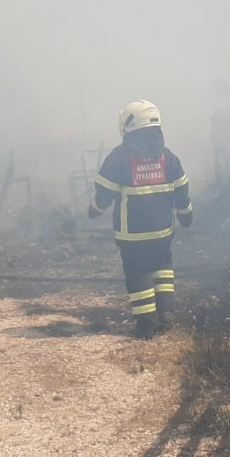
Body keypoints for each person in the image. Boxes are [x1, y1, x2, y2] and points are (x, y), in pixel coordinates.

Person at [89, 100, 193, 339]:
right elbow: (182, 192)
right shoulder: (169, 158)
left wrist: (94, 209)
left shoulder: (119, 157)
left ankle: (146, 325)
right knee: (163, 270)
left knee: (139, 275)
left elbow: (103, 194)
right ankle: (166, 316)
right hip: (162, 234)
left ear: (128, 125)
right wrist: (186, 215)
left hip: (132, 236)